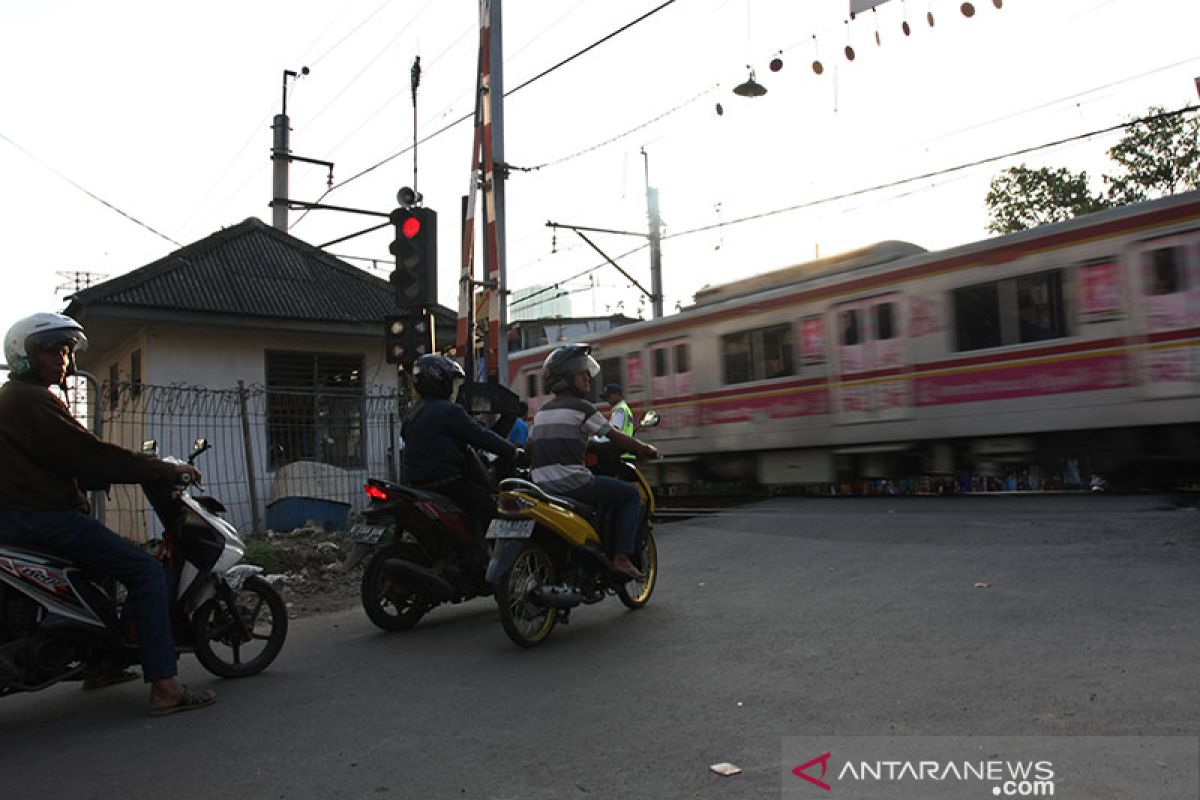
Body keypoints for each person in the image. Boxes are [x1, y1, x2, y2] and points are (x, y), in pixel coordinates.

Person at [0, 312, 215, 716]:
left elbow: (59, 458)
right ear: (26, 356)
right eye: (52, 351)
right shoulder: (31, 400)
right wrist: (162, 470)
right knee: (146, 572)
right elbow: (90, 453)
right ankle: (165, 686)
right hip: (44, 518)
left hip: (22, 515)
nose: (63, 360)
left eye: (66, 351)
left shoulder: (16, 399)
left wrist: (96, 472)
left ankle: (102, 662)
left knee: (99, 574)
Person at [528, 344, 657, 580]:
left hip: (541, 486)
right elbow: (615, 437)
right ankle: (621, 557)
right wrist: (645, 448)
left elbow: (532, 447)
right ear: (567, 379)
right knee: (629, 495)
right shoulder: (583, 408)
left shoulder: (541, 413)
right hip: (573, 484)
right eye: (581, 374)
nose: (588, 378)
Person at [401, 354, 517, 538]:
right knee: (490, 509)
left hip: (418, 484)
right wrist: (512, 451)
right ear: (441, 381)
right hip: (447, 482)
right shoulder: (449, 410)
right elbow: (481, 436)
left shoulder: (412, 413)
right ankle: (491, 559)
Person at [602, 383, 636, 462]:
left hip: (619, 452)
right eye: (605, 398)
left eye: (608, 396)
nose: (607, 400)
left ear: (617, 394)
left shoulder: (619, 410)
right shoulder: (625, 408)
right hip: (626, 450)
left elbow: (613, 431)